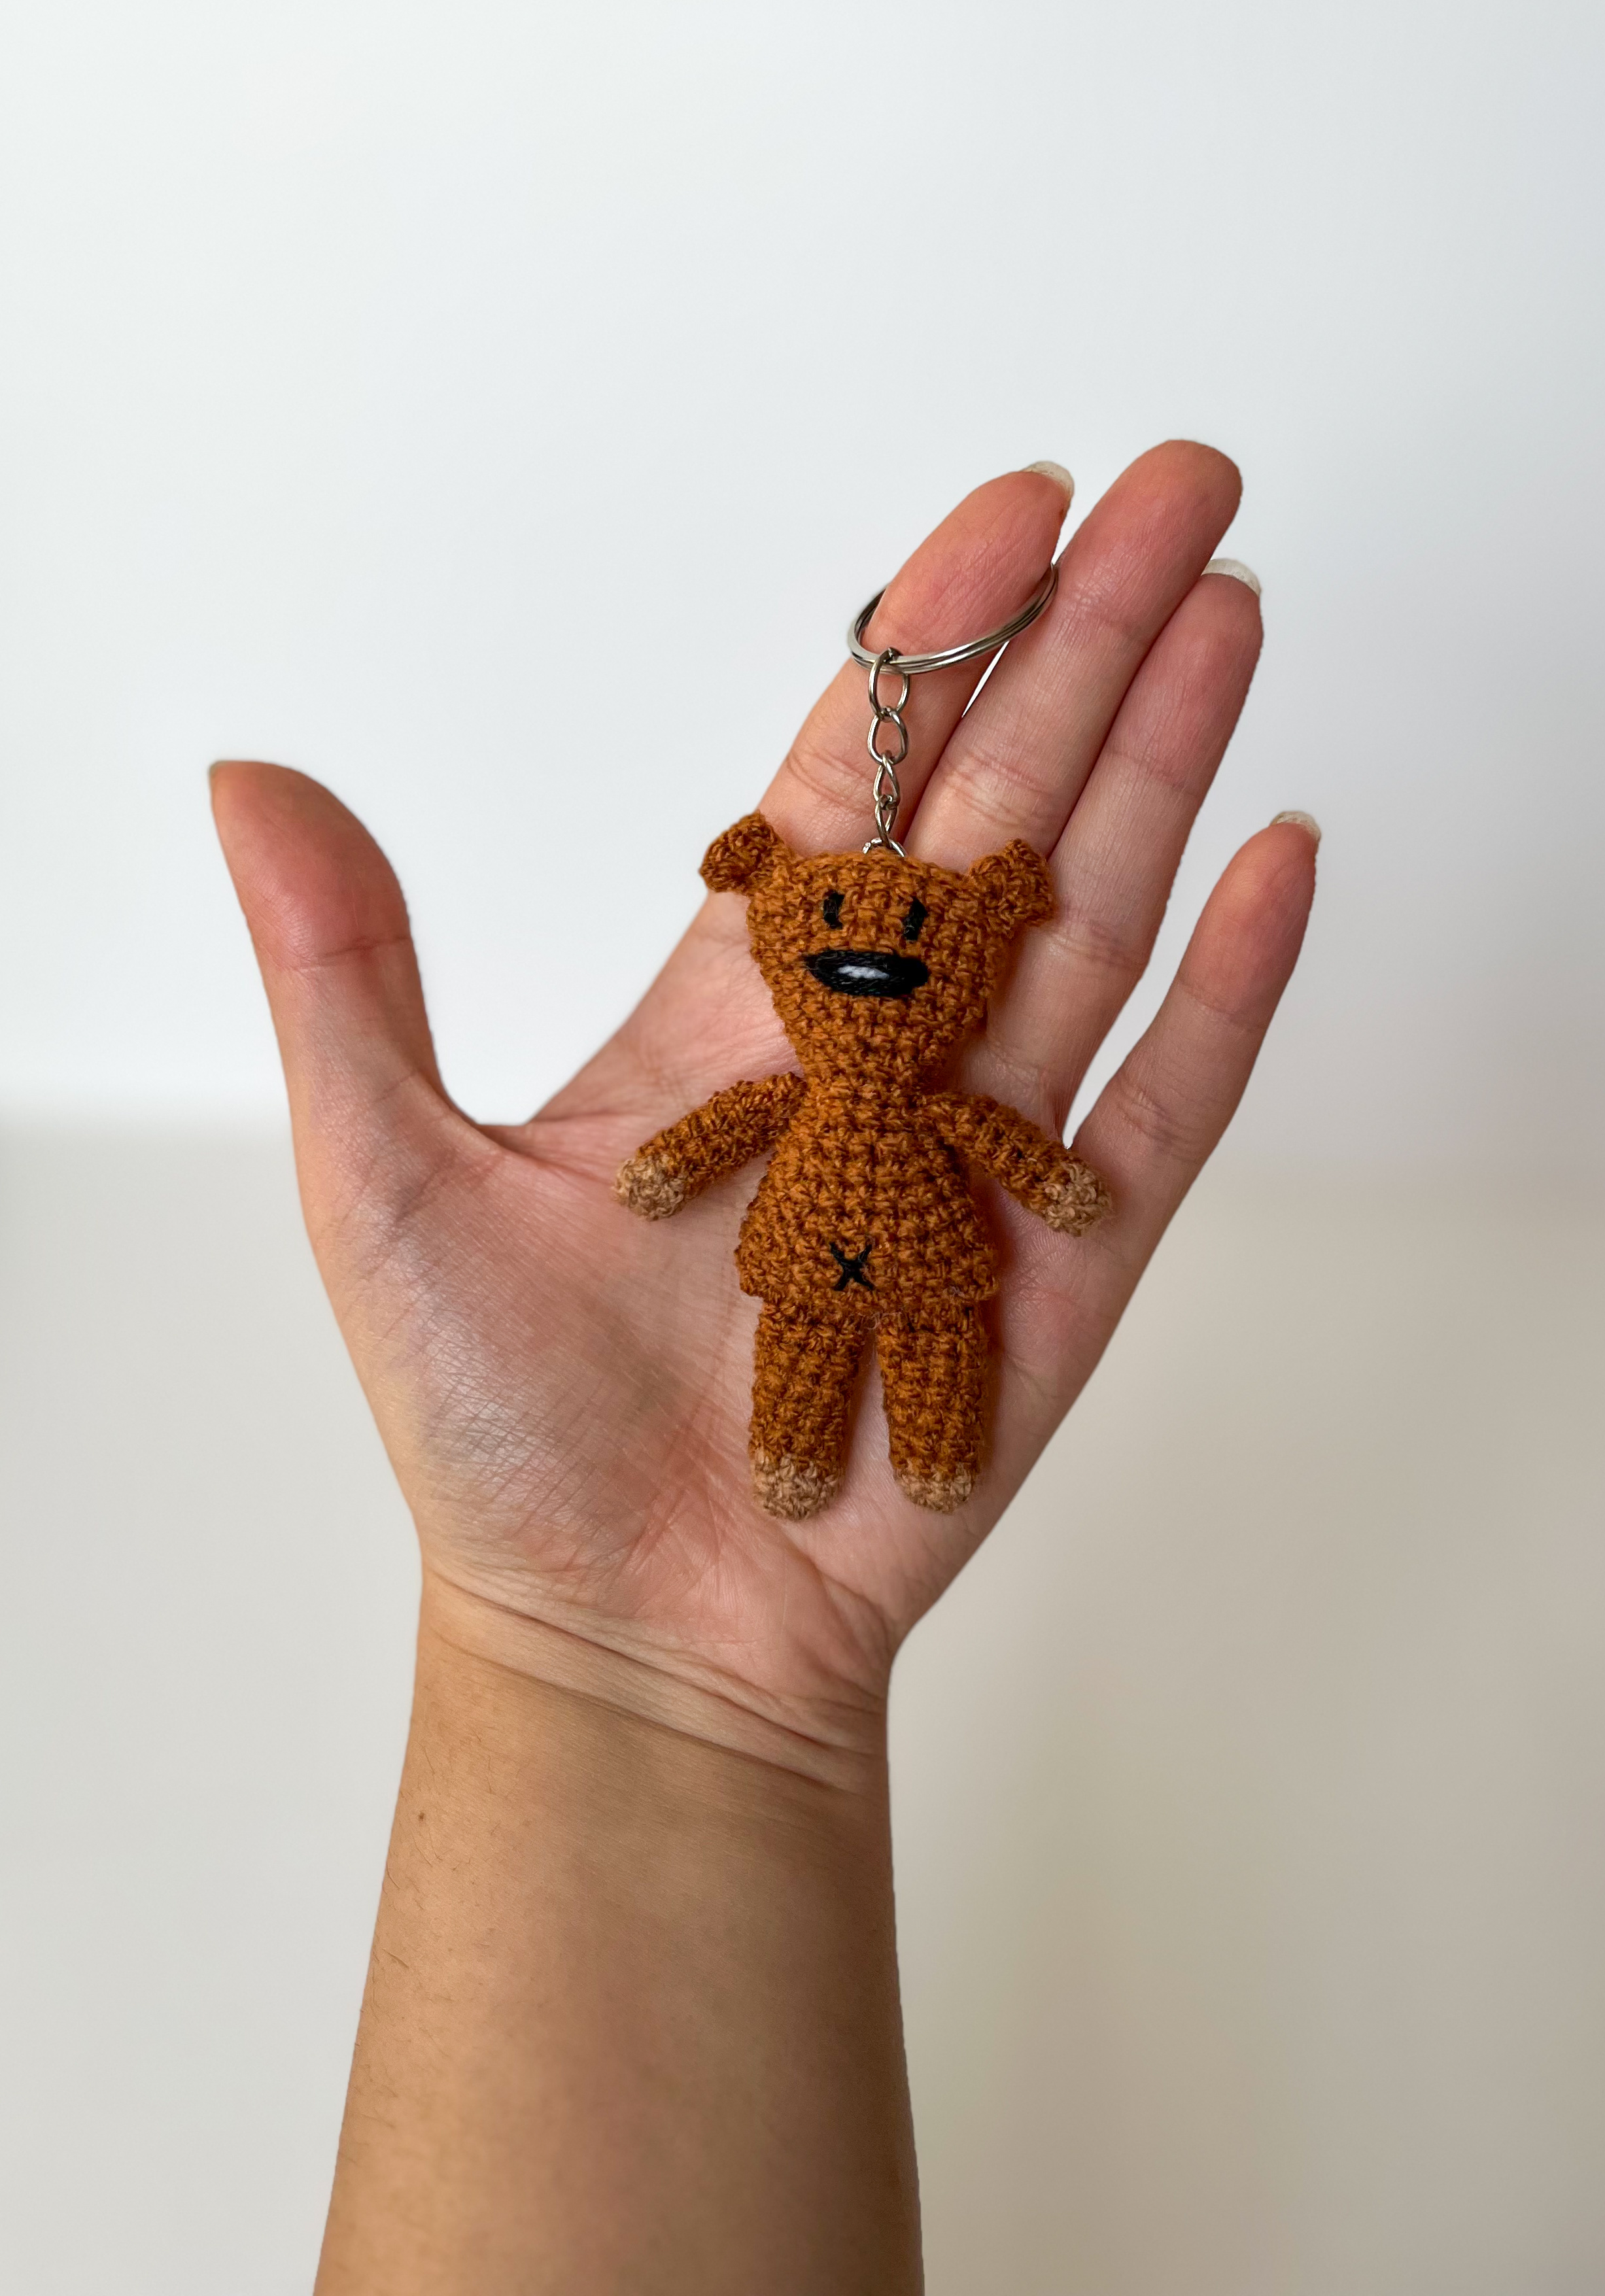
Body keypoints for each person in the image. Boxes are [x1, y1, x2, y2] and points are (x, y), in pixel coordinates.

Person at [211, 443, 1317, 2295]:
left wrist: (1053, 1173)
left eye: (915, 939)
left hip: (930, 1246)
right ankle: (820, 1458)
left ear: (975, 952)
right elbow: (725, 1127)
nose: (875, 956)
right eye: (840, 938)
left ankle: (927, 1446)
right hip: (806, 1252)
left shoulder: (933, 1056)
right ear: (784, 938)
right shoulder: (789, 1059)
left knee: (941, 1366)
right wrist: (661, 1170)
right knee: (803, 1367)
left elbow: (1015, 1151)